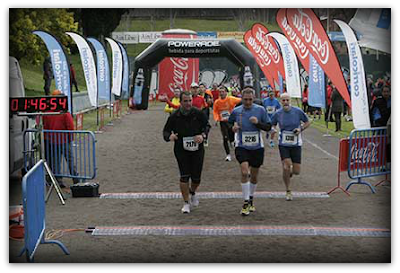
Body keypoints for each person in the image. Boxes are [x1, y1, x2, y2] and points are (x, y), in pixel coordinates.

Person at [162, 91, 211, 214]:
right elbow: (165, 132)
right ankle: (186, 203)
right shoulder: (174, 115)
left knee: (196, 178)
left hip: (197, 149)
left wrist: (203, 135)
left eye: (190, 101)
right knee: (184, 176)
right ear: (180, 102)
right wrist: (170, 137)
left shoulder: (198, 113)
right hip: (181, 149)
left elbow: (207, 126)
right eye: (185, 101)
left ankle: (192, 191)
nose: (188, 103)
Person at [228, 87, 271, 216]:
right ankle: (246, 202)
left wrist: (258, 123)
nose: (247, 102)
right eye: (245, 99)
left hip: (257, 146)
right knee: (244, 171)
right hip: (242, 145)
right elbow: (229, 124)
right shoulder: (236, 111)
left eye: (250, 100)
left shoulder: (260, 110)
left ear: (254, 99)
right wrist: (233, 128)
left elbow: (268, 127)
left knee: (254, 175)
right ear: (242, 98)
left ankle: (251, 198)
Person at [270, 93, 310, 201]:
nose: (285, 102)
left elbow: (307, 122)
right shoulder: (278, 113)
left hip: (296, 143)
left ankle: (287, 174)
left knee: (296, 171)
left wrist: (300, 129)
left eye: (287, 100)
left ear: (290, 100)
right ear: (280, 102)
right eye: (283, 101)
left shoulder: (298, 111)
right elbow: (272, 124)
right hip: (283, 144)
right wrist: (273, 131)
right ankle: (288, 190)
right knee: (287, 166)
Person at [43, 89, 80, 187]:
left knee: (56, 163)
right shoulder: (64, 112)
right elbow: (70, 126)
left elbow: (45, 126)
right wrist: (70, 138)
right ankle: (75, 179)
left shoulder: (47, 112)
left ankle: (59, 180)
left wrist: (47, 139)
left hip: (53, 141)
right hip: (64, 141)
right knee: (70, 160)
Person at [213, 85, 241, 161]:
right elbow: (215, 111)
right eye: (220, 92)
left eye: (223, 92)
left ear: (226, 92)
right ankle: (228, 155)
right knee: (225, 138)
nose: (221, 93)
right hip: (223, 122)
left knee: (231, 136)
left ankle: (232, 141)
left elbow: (241, 100)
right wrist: (216, 119)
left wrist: (238, 110)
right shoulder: (217, 102)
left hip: (231, 121)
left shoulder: (231, 99)